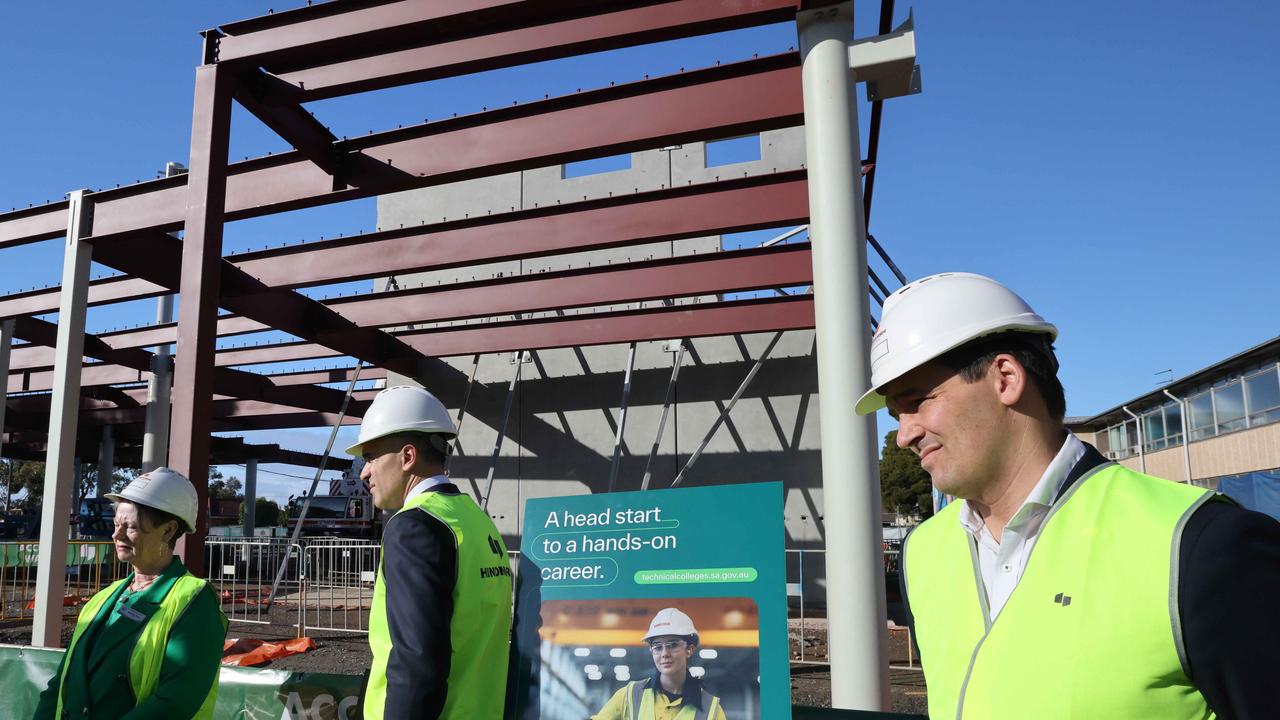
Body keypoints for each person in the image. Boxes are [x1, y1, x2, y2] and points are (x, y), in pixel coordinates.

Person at [856, 272, 1280, 719]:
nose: (904, 435)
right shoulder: (923, 551)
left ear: (1005, 377)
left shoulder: (1200, 545)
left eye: (918, 400)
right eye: (895, 413)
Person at [349, 385, 513, 720]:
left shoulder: (414, 526)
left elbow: (417, 664)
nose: (364, 472)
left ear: (407, 457)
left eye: (370, 457)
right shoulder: (475, 520)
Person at [33, 467, 228, 720]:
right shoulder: (104, 597)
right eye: (116, 525)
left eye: (131, 527)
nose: (117, 535)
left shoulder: (195, 600)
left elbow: (176, 701)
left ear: (168, 530)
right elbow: (61, 684)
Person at [592, 608, 727, 720]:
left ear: (689, 649)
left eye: (673, 645)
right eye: (657, 647)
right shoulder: (630, 695)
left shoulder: (711, 710)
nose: (664, 653)